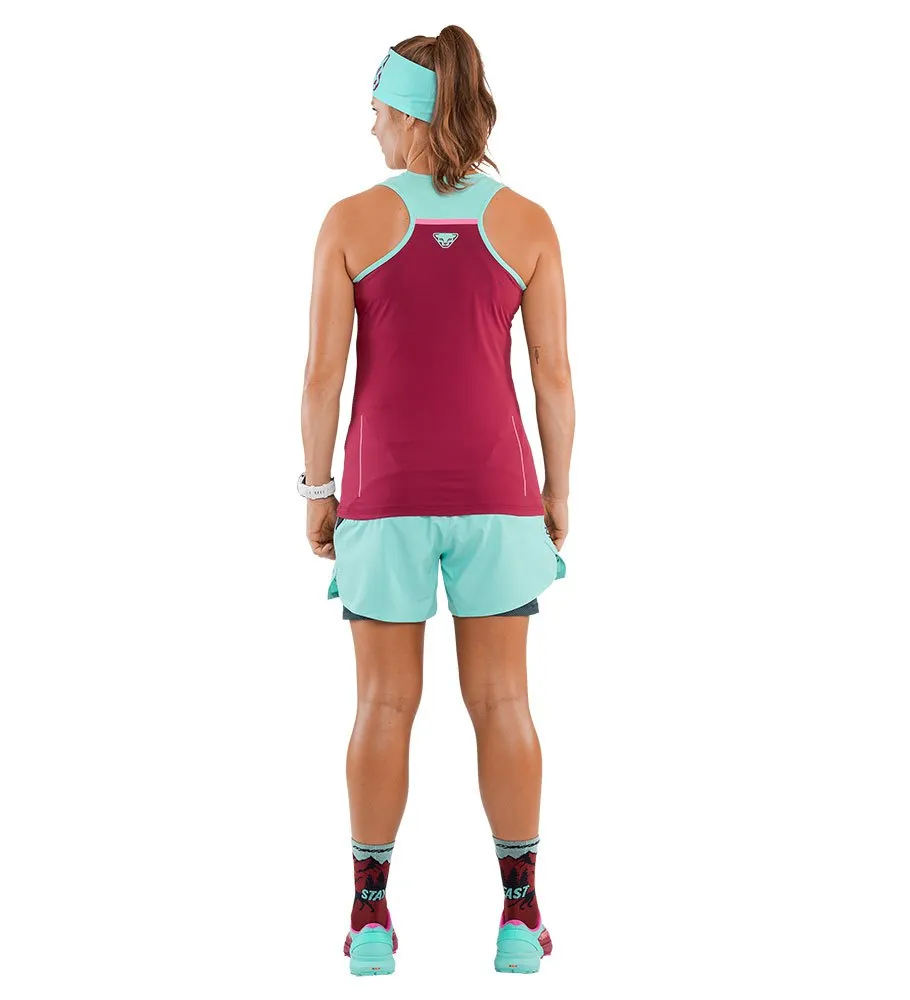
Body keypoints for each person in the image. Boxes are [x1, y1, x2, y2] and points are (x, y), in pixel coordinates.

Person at [299, 25, 574, 976]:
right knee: (504, 702)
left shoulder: (349, 222)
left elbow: (321, 380)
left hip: (382, 502)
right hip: (501, 499)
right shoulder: (528, 223)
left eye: (377, 109)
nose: (370, 126)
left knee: (382, 705)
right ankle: (520, 920)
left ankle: (370, 921)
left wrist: (317, 491)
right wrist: (556, 491)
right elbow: (553, 380)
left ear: (410, 115)